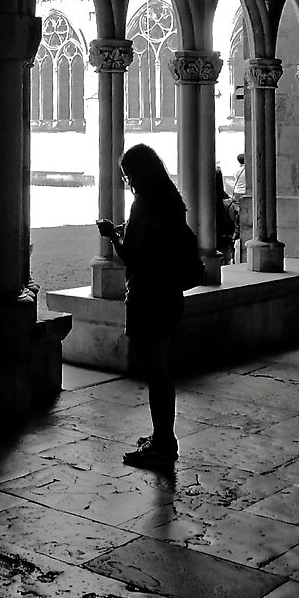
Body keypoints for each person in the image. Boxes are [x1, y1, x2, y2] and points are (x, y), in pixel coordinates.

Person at [98, 143, 200, 470]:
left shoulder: (142, 205)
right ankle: (162, 438)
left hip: (146, 297)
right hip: (170, 296)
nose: (129, 183)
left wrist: (112, 237)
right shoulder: (172, 203)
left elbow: (132, 256)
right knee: (161, 371)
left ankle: (163, 443)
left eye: (129, 176)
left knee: (156, 373)